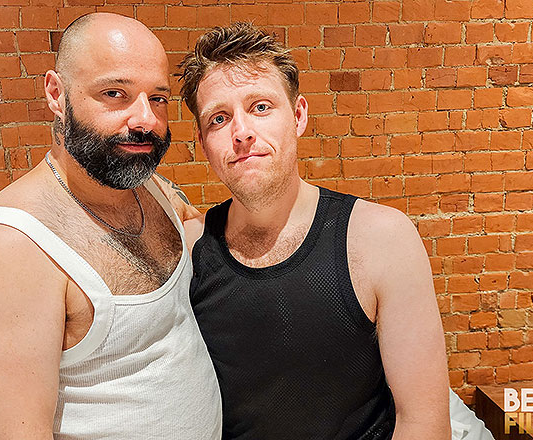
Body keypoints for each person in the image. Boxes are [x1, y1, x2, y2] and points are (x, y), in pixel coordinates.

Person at [179, 23, 476, 439]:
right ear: (202, 142)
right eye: (219, 118)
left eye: (260, 107)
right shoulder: (189, 250)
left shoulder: (380, 239)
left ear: (298, 115)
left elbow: (423, 423)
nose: (241, 132)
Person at [0, 13, 221, 439]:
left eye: (158, 98)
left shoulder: (149, 187)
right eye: (115, 93)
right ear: (56, 94)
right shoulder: (8, 246)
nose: (145, 120)